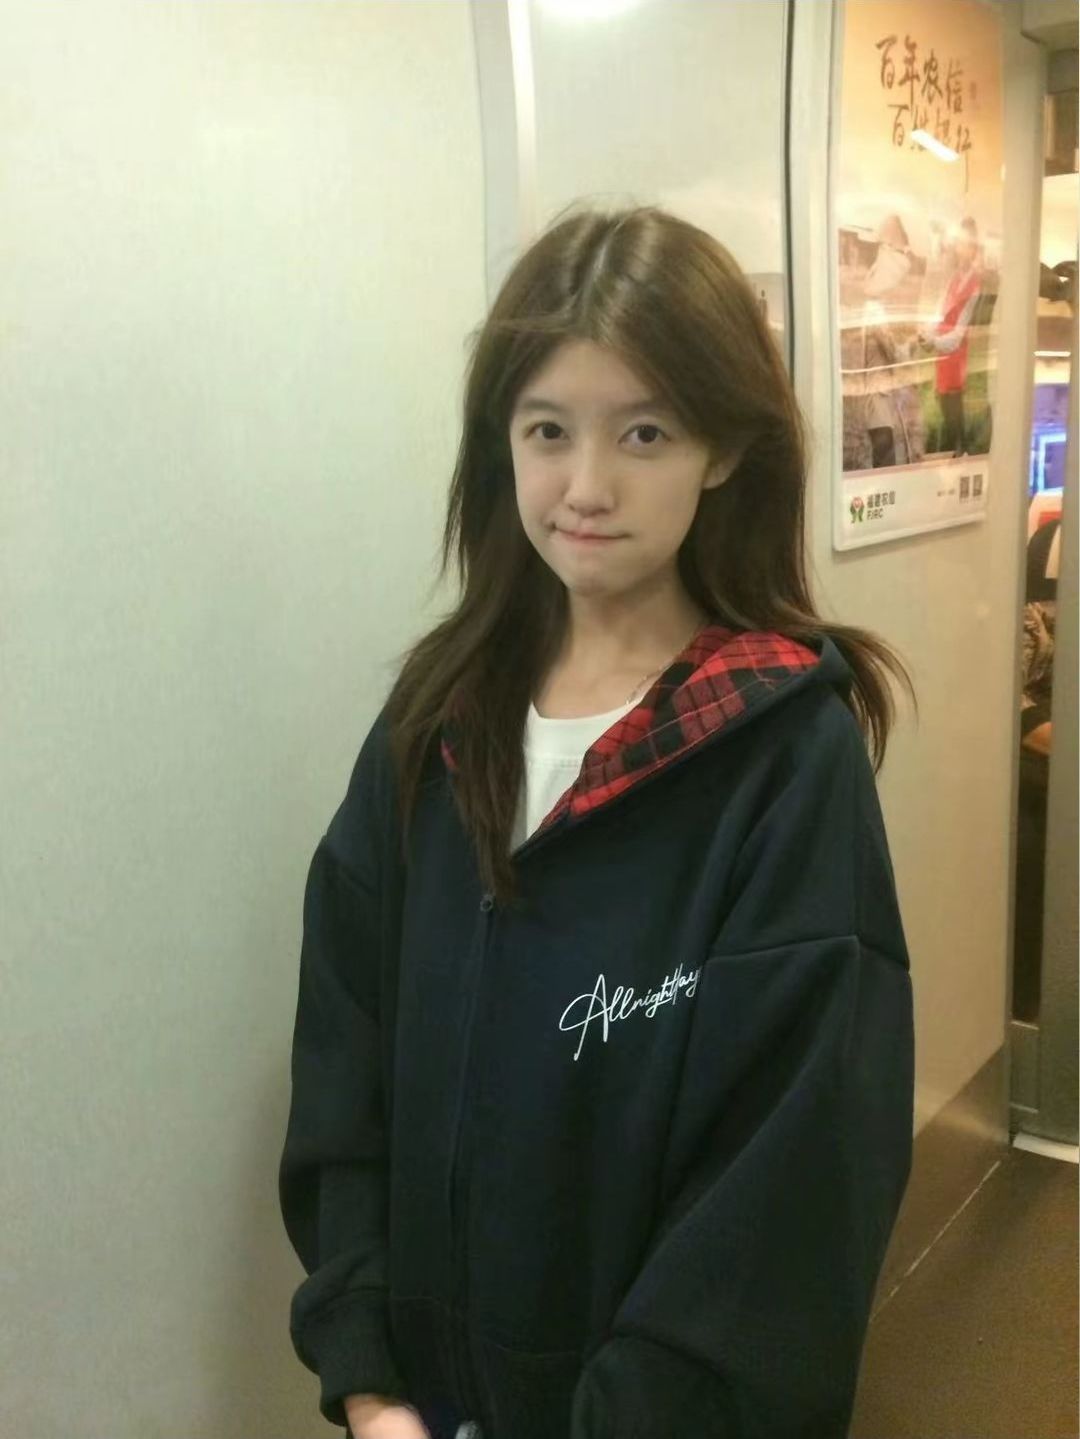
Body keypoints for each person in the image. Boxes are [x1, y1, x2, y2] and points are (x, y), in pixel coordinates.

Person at [278, 203, 918, 1439]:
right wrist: (370, 1384)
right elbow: (343, 1069)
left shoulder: (783, 759)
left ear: (723, 448)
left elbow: (781, 1206)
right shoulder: (435, 724)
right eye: (548, 430)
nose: (586, 486)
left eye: (644, 431)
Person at [917, 217, 983, 457]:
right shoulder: (954, 279)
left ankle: (961, 449)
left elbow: (960, 331)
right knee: (945, 403)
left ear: (973, 249)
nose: (959, 249)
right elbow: (942, 313)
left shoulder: (975, 284)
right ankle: (958, 449)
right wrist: (928, 333)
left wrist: (935, 340)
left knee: (952, 405)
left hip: (955, 354)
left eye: (964, 245)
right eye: (958, 244)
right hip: (945, 351)